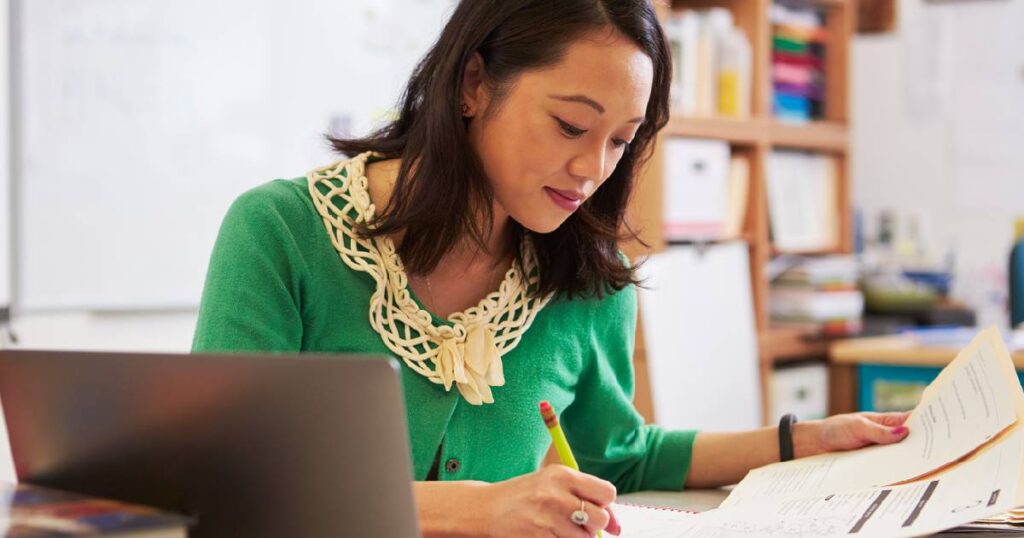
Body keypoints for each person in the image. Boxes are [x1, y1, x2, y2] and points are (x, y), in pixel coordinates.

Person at [192, 1, 910, 536]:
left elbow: (619, 458)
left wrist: (803, 442)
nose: (591, 170)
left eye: (620, 142)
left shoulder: (587, 281)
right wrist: (480, 508)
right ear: (473, 84)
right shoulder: (282, 233)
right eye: (571, 125)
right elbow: (232, 481)